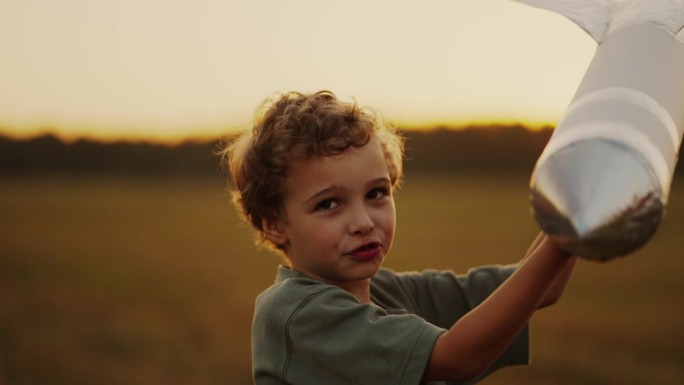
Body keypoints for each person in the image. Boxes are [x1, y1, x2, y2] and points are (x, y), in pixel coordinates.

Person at [221, 90, 577, 385]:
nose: (362, 221)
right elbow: (456, 359)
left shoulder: (392, 291)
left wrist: (576, 207)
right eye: (329, 204)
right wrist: (562, 238)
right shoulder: (293, 315)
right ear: (274, 224)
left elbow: (542, 287)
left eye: (376, 193)